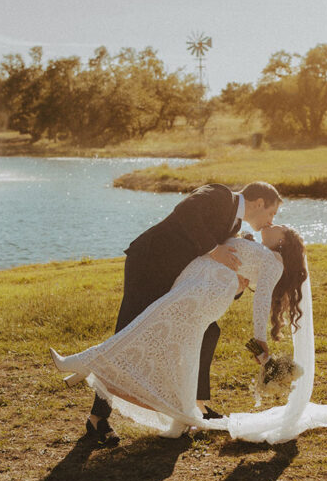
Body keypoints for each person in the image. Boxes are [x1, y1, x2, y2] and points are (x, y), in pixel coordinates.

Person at [50, 223, 307, 439]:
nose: (271, 223)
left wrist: (260, 340)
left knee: (146, 327)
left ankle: (81, 362)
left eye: (279, 225)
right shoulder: (261, 251)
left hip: (201, 290)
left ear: (284, 240)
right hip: (198, 283)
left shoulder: (275, 262)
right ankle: (179, 421)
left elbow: (261, 301)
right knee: (183, 352)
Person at [74, 181, 282, 446]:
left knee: (209, 330)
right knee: (128, 336)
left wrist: (237, 286)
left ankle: (195, 406)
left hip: (174, 279)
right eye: (272, 213)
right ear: (260, 202)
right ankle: (97, 418)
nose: (270, 220)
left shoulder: (234, 226)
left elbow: (212, 266)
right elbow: (185, 211)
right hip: (149, 262)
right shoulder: (220, 195)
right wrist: (215, 249)